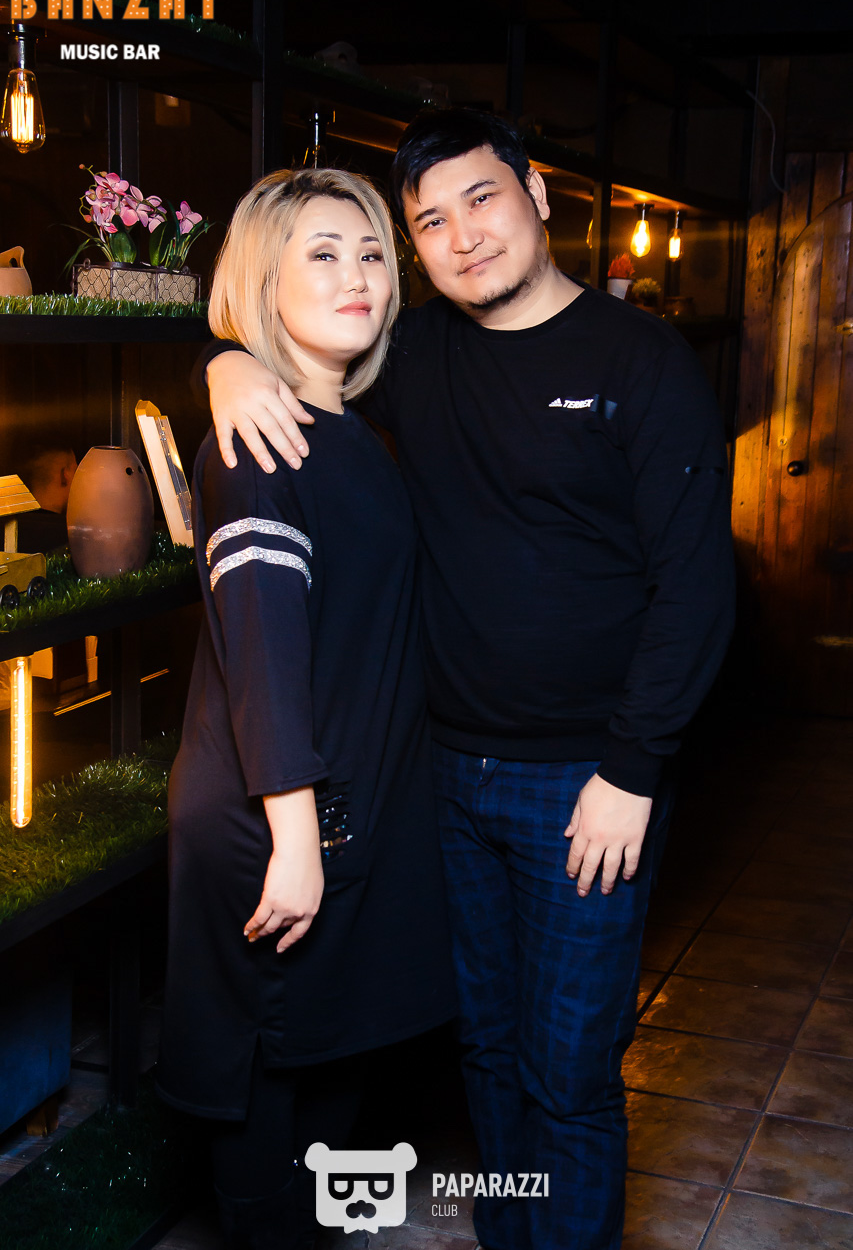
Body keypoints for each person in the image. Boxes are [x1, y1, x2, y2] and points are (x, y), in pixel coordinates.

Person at [200, 109, 736, 1250]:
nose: (461, 237)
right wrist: (225, 363)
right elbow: (301, 344)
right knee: (482, 1048)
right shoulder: (416, 355)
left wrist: (633, 770)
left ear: (537, 196)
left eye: (482, 199)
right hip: (440, 775)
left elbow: (696, 588)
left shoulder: (641, 362)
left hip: (586, 784)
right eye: (429, 222)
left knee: (568, 1070)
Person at [156, 167, 455, 1250]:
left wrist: (224, 360)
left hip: (337, 807)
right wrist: (296, 839)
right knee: (266, 1076)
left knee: (331, 1054)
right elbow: (265, 655)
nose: (356, 275)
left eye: (371, 252)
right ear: (263, 280)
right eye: (321, 254)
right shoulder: (259, 443)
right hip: (278, 815)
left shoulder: (344, 427)